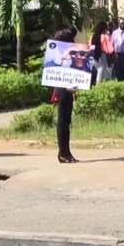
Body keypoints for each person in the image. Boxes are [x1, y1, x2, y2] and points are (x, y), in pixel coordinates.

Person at [53, 28, 79, 164]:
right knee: (63, 120)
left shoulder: (67, 56)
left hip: (67, 88)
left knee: (66, 121)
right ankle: (63, 153)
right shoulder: (58, 56)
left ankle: (65, 151)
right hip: (62, 88)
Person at [89, 21, 111, 86]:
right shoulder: (105, 36)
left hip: (93, 55)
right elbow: (109, 49)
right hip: (101, 55)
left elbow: (90, 46)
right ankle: (99, 86)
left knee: (98, 70)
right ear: (104, 28)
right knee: (101, 70)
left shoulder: (92, 36)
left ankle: (95, 84)